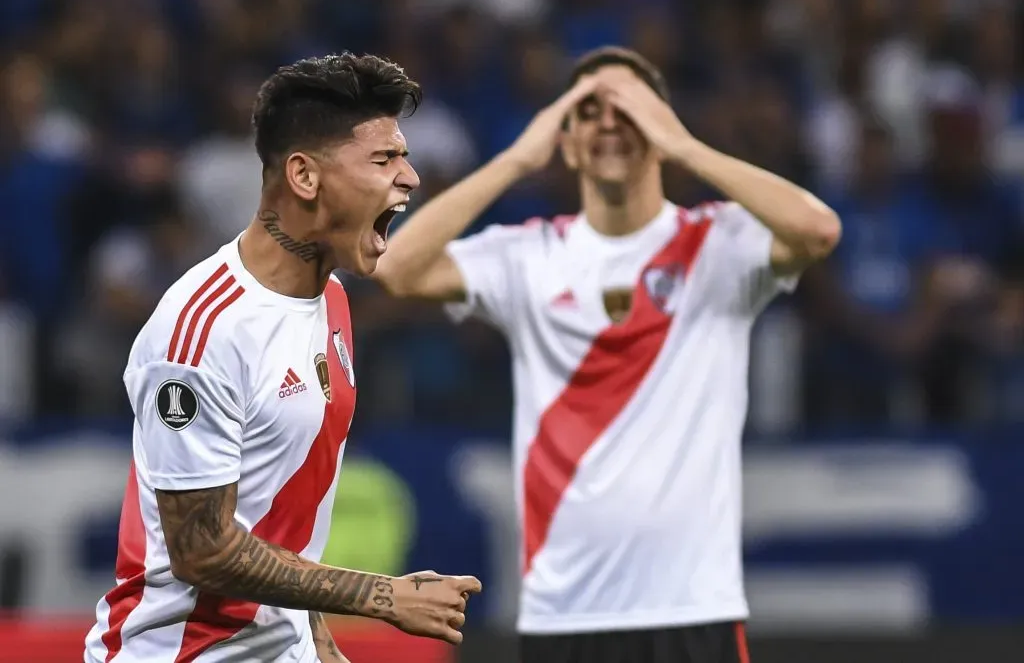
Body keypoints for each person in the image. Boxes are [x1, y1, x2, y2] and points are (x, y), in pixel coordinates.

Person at [372, 47, 842, 663]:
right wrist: (516, 159)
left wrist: (688, 148)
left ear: (661, 125)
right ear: (566, 141)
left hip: (693, 608)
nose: (611, 122)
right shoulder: (528, 253)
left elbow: (819, 230)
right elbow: (397, 268)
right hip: (564, 611)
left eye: (630, 108)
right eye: (588, 110)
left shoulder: (719, 242)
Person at [84, 53, 482, 663]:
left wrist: (318, 645)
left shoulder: (335, 303)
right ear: (303, 176)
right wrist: (382, 597)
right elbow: (203, 549)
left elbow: (288, 517)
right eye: (384, 159)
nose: (410, 178)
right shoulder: (202, 331)